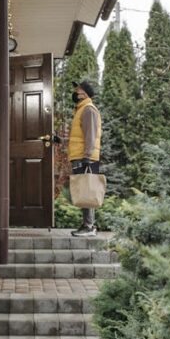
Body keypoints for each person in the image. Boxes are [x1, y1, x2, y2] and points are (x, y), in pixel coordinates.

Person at [68, 80, 102, 237]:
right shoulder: (81, 110)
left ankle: (89, 227)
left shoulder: (88, 110)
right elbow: (79, 136)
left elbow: (91, 134)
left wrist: (87, 156)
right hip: (81, 155)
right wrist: (60, 140)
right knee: (83, 189)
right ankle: (86, 225)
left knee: (87, 189)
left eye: (78, 90)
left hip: (85, 157)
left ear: (85, 94)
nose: (75, 92)